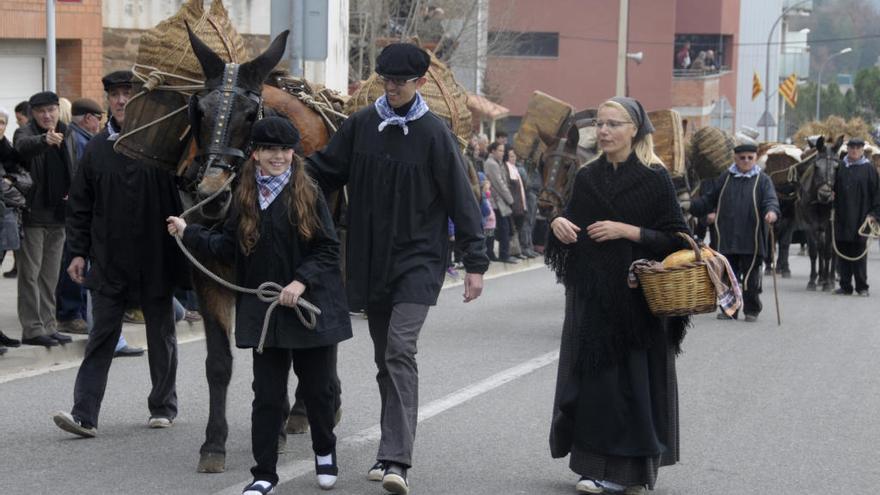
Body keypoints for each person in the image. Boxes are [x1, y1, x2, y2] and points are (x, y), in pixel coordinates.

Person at [306, 42, 488, 495]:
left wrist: (476, 262)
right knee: (383, 359)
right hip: (370, 260)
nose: (391, 89)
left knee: (399, 351)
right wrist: (277, 168)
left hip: (418, 260)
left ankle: (396, 460)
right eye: (385, 80)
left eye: (400, 83)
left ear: (420, 83)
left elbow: (462, 201)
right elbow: (324, 171)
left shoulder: (434, 135)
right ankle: (389, 446)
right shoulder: (362, 124)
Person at [168, 117, 352, 494]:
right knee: (266, 396)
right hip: (266, 314)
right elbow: (227, 248)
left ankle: (324, 452)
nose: (278, 157)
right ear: (255, 154)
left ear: (292, 153)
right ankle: (264, 473)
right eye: (270, 150)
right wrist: (190, 232)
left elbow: (328, 248)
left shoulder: (309, 192)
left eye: (284, 150)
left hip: (308, 308)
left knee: (318, 391)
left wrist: (300, 281)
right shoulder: (244, 197)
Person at [546, 96, 691, 495]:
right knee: (594, 386)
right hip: (592, 298)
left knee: (631, 388)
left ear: (635, 131)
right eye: (602, 125)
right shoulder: (588, 177)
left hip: (637, 304)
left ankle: (628, 475)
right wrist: (558, 224)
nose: (605, 131)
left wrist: (628, 231)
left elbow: (678, 239)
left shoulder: (655, 178)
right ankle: (592, 469)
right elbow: (571, 227)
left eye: (614, 124)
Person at [51, 70, 189, 438]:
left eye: (129, 93)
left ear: (142, 99)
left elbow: (187, 194)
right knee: (101, 338)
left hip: (155, 260)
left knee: (161, 336)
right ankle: (84, 415)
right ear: (109, 100)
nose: (122, 100)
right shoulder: (97, 149)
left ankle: (162, 406)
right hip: (109, 261)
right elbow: (79, 205)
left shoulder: (161, 147)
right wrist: (78, 253)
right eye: (115, 94)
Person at [689, 140, 779, 322]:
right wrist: (689, 206)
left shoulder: (763, 180)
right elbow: (708, 200)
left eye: (750, 158)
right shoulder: (726, 178)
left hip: (752, 239)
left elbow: (770, 200)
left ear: (755, 158)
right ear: (735, 158)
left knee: (751, 280)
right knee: (728, 278)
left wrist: (771, 212)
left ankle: (752, 309)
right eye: (742, 158)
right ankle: (729, 309)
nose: (746, 161)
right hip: (728, 237)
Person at [14, 91, 76, 347]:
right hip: (33, 215)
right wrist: (44, 139)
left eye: (51, 110)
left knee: (50, 276)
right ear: (33, 114)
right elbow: (22, 148)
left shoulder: (67, 132)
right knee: (30, 274)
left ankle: (49, 326)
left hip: (59, 215)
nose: (47, 116)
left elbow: (73, 167)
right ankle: (31, 329)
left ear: (57, 110)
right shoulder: (26, 133)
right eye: (41, 112)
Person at [832, 137, 880, 296]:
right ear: (848, 149)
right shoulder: (840, 167)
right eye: (852, 147)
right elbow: (832, 188)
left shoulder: (869, 169)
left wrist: (873, 214)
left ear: (862, 150)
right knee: (843, 251)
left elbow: (877, 195)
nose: (854, 150)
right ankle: (845, 286)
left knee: (858, 253)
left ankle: (862, 286)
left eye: (858, 148)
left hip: (861, 217)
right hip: (842, 217)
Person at [485, 141, 516, 263]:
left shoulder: (498, 163)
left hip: (499, 201)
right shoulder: (491, 163)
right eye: (500, 150)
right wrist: (510, 199)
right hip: (495, 201)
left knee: (498, 229)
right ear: (493, 151)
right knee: (500, 229)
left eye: (503, 151)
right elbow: (499, 184)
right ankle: (500, 254)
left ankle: (493, 253)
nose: (502, 153)